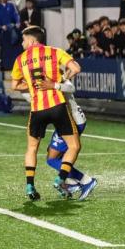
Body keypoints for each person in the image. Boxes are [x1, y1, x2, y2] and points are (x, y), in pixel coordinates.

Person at [10, 25, 82, 201]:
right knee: (74, 146)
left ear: (32, 40)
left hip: (37, 109)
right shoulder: (55, 51)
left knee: (32, 148)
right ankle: (61, 178)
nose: (22, 42)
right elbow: (76, 69)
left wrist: (32, 84)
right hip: (57, 105)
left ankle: (29, 186)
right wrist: (59, 80)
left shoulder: (20, 60)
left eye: (24, 39)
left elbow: (14, 86)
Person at [32, 76, 97, 200]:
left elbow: (71, 88)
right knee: (54, 155)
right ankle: (71, 182)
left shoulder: (56, 74)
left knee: (52, 158)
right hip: (65, 122)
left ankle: (85, 180)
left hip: (72, 121)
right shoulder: (43, 77)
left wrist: (54, 85)